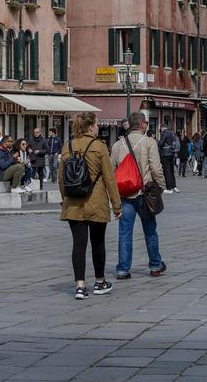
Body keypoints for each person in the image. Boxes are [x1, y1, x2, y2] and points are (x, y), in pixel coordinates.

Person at [59, 112, 121, 300]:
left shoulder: (66, 146)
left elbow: (61, 179)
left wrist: (65, 199)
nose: (98, 128)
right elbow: (109, 178)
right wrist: (116, 205)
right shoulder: (99, 146)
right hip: (96, 202)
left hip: (73, 204)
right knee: (98, 243)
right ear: (89, 127)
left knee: (78, 245)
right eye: (96, 125)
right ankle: (100, 282)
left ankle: (80, 286)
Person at [111, 111, 167, 280]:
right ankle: (155, 265)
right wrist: (162, 187)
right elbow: (156, 168)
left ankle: (123, 269)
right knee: (150, 230)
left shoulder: (117, 145)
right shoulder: (149, 142)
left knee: (124, 232)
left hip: (126, 194)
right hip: (144, 193)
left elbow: (111, 171)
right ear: (143, 125)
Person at [157, 122, 179, 194]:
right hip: (172, 153)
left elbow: (161, 143)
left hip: (165, 154)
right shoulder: (173, 133)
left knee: (167, 171)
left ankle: (169, 187)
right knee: (171, 170)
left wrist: (158, 143)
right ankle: (174, 186)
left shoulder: (164, 133)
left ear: (162, 127)